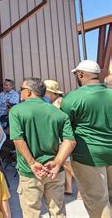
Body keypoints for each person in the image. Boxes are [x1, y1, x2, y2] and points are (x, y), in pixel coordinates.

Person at [10, 77, 76, 218]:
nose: (20, 93)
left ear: (28, 92)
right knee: (58, 212)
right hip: (55, 171)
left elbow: (18, 139)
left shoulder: (16, 111)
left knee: (31, 214)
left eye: (21, 90)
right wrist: (58, 162)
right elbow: (70, 141)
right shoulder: (59, 114)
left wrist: (32, 163)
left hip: (30, 172)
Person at [61, 60, 112, 217]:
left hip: (87, 157)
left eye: (76, 74)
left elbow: (64, 129)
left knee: (98, 202)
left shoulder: (72, 98)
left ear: (81, 74)